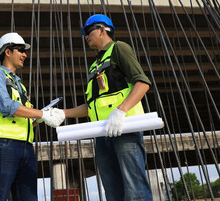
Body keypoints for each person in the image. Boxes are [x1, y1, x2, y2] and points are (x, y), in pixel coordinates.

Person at [63, 14, 153, 200]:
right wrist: (62, 113)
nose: (86, 37)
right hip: (103, 132)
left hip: (125, 128)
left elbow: (142, 83)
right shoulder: (95, 65)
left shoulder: (119, 49)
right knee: (112, 190)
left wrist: (121, 111)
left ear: (103, 30)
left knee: (134, 186)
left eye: (88, 31)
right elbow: (92, 106)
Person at [0, 32, 65, 201]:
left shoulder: (19, 84)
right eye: (20, 50)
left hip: (26, 148)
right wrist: (42, 114)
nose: (25, 54)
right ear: (7, 52)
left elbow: (23, 117)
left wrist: (38, 119)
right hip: (1, 144)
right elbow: (5, 106)